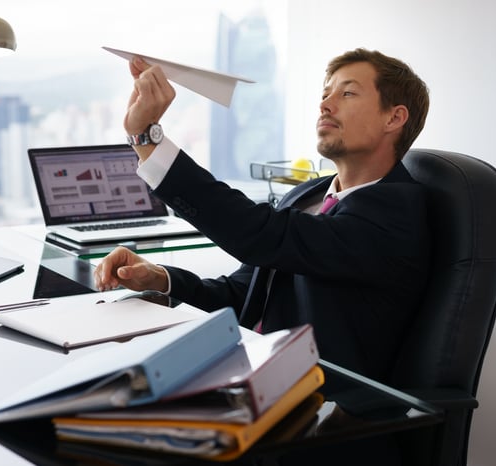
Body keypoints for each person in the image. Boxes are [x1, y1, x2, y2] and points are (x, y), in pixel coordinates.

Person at [94, 48, 431, 388]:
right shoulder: (309, 195)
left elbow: (258, 233)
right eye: (325, 93)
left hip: (318, 405)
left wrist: (147, 139)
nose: (325, 104)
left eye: (347, 92)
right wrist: (160, 279)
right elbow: (244, 296)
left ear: (394, 118)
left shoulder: (397, 213)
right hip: (247, 372)